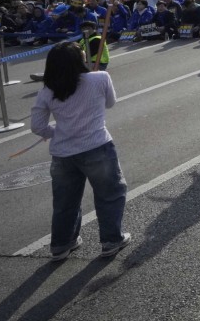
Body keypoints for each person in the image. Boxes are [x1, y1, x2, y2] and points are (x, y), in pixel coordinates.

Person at [29, 41, 131, 261]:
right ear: (79, 59)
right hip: (97, 146)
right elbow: (111, 103)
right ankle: (111, 240)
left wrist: (56, 131)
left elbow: (37, 126)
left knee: (65, 201)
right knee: (110, 195)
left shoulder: (48, 89)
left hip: (63, 153)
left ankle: (61, 245)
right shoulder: (100, 78)